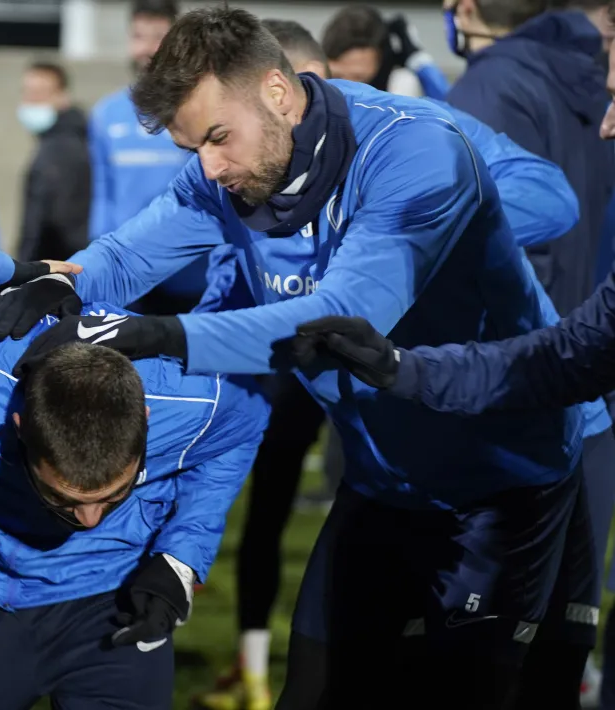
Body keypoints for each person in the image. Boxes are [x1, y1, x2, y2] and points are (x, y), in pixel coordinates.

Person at [0, 7, 592, 707]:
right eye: (193, 148)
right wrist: (59, 282)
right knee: (312, 691)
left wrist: (164, 335)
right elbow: (132, 250)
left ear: (277, 91)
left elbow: (344, 320)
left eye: (216, 138)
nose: (208, 166)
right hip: (382, 476)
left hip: (499, 481)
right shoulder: (234, 170)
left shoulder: (417, 153)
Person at [195, 19, 610, 710]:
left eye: (221, 137)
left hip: (507, 450)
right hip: (395, 460)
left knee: (505, 682)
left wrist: (411, 223)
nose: (214, 165)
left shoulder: (457, 111)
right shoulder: (246, 208)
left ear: (291, 95)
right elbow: (218, 370)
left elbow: (551, 206)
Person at [0, 303, 269, 710]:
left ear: (145, 417)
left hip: (115, 593)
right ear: (20, 429)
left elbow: (241, 430)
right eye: (64, 499)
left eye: (112, 496)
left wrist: (181, 556)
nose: (88, 520)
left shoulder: (198, 398)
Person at [446, 0, 615, 318]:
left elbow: (493, 239)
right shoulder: (584, 72)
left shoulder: (484, 90)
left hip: (527, 343)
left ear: (466, 9)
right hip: (581, 322)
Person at [88, 0, 206, 317]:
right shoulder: (105, 113)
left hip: (191, 278)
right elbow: (103, 197)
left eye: (158, 37)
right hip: (127, 278)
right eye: (138, 36)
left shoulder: (200, 110)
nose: (147, 48)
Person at [16, 60, 91, 263]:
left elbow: (45, 220)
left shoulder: (61, 147)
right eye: (27, 92)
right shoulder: (73, 138)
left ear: (63, 95)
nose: (31, 100)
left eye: (40, 93)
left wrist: (26, 268)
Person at [321, 6, 451, 99]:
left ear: (379, 63)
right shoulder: (314, 74)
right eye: (337, 76)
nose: (345, 88)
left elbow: (455, 111)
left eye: (358, 78)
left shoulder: (399, 85)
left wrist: (417, 59)